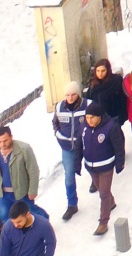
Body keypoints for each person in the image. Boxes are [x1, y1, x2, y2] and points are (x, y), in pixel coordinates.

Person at [76, 101, 126, 237]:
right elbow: (79, 145)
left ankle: (103, 222)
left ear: (99, 116)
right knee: (102, 190)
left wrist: (119, 163)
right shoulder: (83, 127)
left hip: (106, 167)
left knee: (103, 193)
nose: (89, 120)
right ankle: (111, 202)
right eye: (87, 117)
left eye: (92, 117)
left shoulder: (111, 127)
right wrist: (77, 163)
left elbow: (118, 146)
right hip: (91, 167)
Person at [0, 127, 48, 221]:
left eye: (5, 140)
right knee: (4, 217)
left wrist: (32, 190)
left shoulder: (24, 149)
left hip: (21, 192)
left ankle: (45, 223)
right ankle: (14, 235)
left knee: (31, 212)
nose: (2, 144)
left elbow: (33, 171)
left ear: (11, 137)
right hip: (3, 194)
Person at [50, 82, 87, 221]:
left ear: (78, 94)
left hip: (85, 144)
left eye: (73, 95)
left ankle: (97, 185)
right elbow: (55, 122)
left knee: (93, 168)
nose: (70, 98)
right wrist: (58, 135)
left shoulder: (88, 105)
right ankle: (72, 204)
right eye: (67, 95)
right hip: (67, 147)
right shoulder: (59, 106)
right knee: (69, 176)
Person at [85, 59, 125, 126]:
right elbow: (88, 99)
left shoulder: (116, 80)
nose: (100, 73)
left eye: (103, 71)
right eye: (98, 71)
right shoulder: (94, 83)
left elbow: (122, 100)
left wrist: (121, 117)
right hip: (97, 118)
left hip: (113, 117)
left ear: (108, 70)